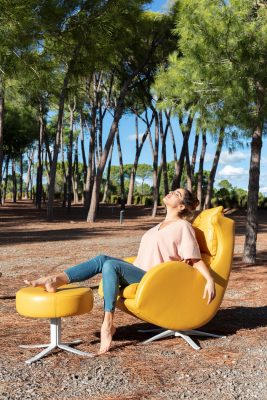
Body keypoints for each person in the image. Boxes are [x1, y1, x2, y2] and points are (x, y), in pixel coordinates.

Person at [25, 188, 216, 355]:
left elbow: (194, 258)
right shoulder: (158, 226)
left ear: (181, 206)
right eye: (173, 190)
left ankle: (107, 325)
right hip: (140, 272)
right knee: (102, 259)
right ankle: (56, 279)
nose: (171, 193)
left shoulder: (183, 227)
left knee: (111, 265)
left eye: (177, 194)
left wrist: (209, 279)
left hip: (153, 280)